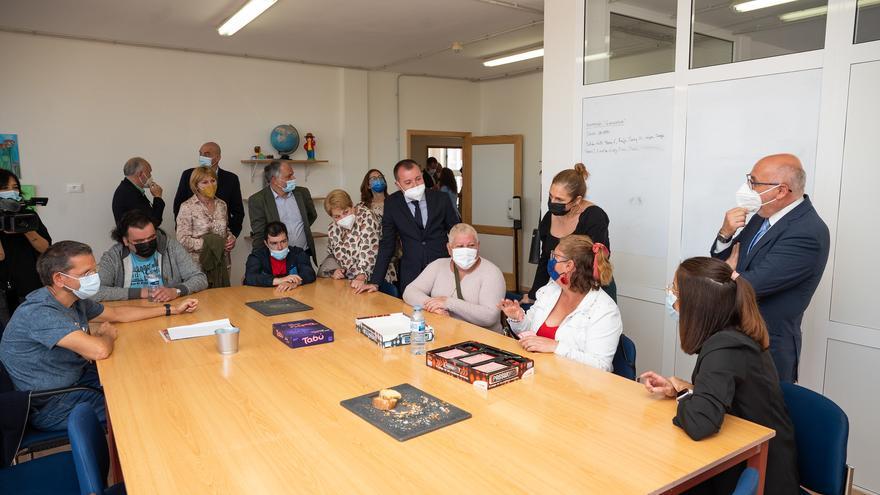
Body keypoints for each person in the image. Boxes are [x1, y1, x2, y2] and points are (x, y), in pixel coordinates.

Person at [639, 257, 799, 494]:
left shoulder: (725, 348)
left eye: (675, 291)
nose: (672, 298)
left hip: (758, 473)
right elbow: (725, 396)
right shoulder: (731, 334)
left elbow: (700, 424)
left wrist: (685, 396)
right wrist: (683, 388)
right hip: (740, 457)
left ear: (697, 305)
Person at [0, 241, 198, 431]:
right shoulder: (39, 312)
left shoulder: (73, 298)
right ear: (59, 279)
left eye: (93, 270)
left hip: (77, 382)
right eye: (86, 273)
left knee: (143, 381)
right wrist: (106, 335)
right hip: (52, 404)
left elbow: (117, 314)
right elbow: (100, 350)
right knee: (143, 405)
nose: (94, 277)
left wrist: (171, 309)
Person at [711, 153, 829, 382]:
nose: (748, 188)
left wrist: (728, 272)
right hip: (734, 337)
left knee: (757, 418)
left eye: (754, 182)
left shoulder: (808, 232)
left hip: (766, 349)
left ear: (781, 190)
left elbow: (751, 285)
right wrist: (725, 233)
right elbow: (727, 261)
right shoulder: (762, 216)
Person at [499, 234, 621, 371]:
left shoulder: (605, 309)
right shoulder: (551, 289)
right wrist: (518, 318)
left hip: (575, 386)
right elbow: (530, 334)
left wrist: (555, 346)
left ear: (568, 266)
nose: (550, 261)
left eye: (555, 257)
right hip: (536, 372)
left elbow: (601, 366)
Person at [356, 159, 459, 295]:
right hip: (411, 272)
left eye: (418, 179)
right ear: (398, 184)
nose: (415, 185)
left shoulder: (441, 199)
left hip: (442, 269)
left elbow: (456, 233)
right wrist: (375, 282)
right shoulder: (392, 204)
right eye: (408, 182)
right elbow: (387, 244)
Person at [524, 163, 616, 304]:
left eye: (560, 199)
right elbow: (545, 259)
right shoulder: (549, 217)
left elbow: (597, 261)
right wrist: (533, 295)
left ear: (577, 200)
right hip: (563, 286)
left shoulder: (594, 217)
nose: (552, 202)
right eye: (551, 196)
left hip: (592, 287)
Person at [404, 223, 505, 332]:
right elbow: (409, 292)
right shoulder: (438, 265)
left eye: (471, 245)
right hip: (446, 332)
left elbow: (489, 316)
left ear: (478, 246)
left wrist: (448, 303)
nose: (466, 250)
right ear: (449, 248)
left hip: (483, 339)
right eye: (460, 246)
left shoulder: (492, 273)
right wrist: (434, 307)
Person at [96, 211, 207, 302]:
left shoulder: (171, 247)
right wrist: (141, 292)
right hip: (129, 312)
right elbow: (96, 292)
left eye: (151, 238)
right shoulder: (113, 257)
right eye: (140, 241)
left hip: (168, 308)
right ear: (125, 241)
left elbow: (200, 278)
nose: (147, 243)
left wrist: (176, 291)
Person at [318, 189, 397, 293]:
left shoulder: (367, 216)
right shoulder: (333, 228)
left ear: (352, 206)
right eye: (337, 216)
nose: (343, 218)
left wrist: (361, 276)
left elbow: (369, 250)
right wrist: (334, 271)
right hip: (350, 283)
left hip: (376, 279)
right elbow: (332, 254)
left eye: (346, 212)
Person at [0, 170, 51, 321]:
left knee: (38, 325)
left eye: (15, 187)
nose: (12, 192)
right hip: (4, 290)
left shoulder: (29, 215)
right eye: (4, 188)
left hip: (31, 284)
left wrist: (26, 229)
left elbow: (45, 248)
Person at [248, 161, 318, 264]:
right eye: (289, 176)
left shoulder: (303, 193)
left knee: (308, 279)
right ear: (274, 180)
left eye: (292, 174)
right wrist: (256, 263)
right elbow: (260, 234)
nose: (293, 178)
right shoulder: (257, 200)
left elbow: (311, 216)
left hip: (304, 254)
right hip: (277, 257)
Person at [172, 142, 244, 242]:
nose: (202, 157)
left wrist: (231, 237)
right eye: (200, 154)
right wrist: (183, 232)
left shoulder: (231, 179)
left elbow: (238, 212)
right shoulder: (188, 175)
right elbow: (178, 206)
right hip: (193, 246)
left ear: (218, 157)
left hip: (222, 246)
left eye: (207, 154)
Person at [176, 167, 235, 287]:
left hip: (222, 263)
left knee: (223, 300)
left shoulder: (222, 205)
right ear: (195, 185)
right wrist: (213, 244)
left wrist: (231, 238)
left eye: (213, 181)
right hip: (197, 267)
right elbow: (182, 240)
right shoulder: (187, 207)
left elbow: (225, 230)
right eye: (205, 182)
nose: (210, 185)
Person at [244, 221, 315, 291]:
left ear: (288, 239)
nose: (280, 247)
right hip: (266, 296)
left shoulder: (298, 252)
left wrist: (295, 282)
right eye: (274, 243)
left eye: (283, 241)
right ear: (266, 243)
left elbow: (309, 273)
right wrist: (280, 280)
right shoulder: (257, 256)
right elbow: (250, 278)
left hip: (292, 295)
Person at [111, 156, 165, 226]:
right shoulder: (129, 193)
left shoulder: (129, 189)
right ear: (140, 174)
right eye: (149, 172)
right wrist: (158, 197)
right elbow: (154, 222)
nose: (151, 176)